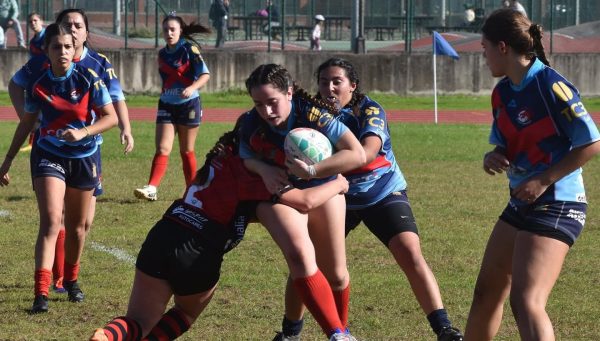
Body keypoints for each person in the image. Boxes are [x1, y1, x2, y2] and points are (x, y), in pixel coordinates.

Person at [88, 116, 350, 341]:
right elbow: (304, 202)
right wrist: (339, 183)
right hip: (199, 251)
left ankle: (108, 335)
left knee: (138, 321)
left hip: (165, 232)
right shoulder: (255, 175)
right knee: (185, 313)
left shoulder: (217, 157)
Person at [271, 58, 464, 341]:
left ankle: (444, 328)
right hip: (336, 194)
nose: (330, 88)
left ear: (353, 85)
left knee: (409, 251)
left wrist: (313, 170)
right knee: (305, 259)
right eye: (324, 82)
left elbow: (368, 152)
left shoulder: (369, 110)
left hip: (381, 191)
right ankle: (290, 334)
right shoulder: (314, 112)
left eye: (337, 81)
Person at [464, 9, 600, 340]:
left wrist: (543, 180)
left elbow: (591, 142)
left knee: (526, 301)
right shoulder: (503, 93)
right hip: (522, 202)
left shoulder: (550, 85)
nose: (483, 57)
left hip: (558, 201)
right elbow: (507, 146)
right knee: (486, 293)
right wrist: (493, 156)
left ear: (502, 47)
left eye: (483, 48)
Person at [9, 7, 135, 294]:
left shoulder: (98, 64)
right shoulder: (45, 61)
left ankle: (67, 273)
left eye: (78, 26)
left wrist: (125, 128)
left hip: (89, 151)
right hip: (51, 151)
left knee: (83, 222)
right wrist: (28, 121)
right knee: (56, 216)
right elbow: (15, 85)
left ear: (86, 33)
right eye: (67, 25)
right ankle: (56, 278)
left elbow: (115, 101)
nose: (72, 30)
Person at [240, 64, 366, 341]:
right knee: (300, 257)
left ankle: (338, 331)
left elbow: (356, 154)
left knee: (335, 275)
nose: (267, 111)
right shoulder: (250, 122)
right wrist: (263, 169)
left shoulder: (313, 114)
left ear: (289, 92)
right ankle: (306, 334)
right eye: (259, 104)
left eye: (272, 102)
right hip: (281, 193)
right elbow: (245, 157)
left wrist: (312, 171)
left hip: (323, 186)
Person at [134, 13, 211, 201]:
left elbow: (205, 74)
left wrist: (191, 88)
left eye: (172, 29)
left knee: (186, 150)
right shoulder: (162, 54)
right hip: (166, 104)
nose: (169, 33)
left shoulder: (190, 50)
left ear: (180, 31)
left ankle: (191, 192)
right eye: (166, 30)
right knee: (162, 148)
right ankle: (151, 188)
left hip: (189, 104)